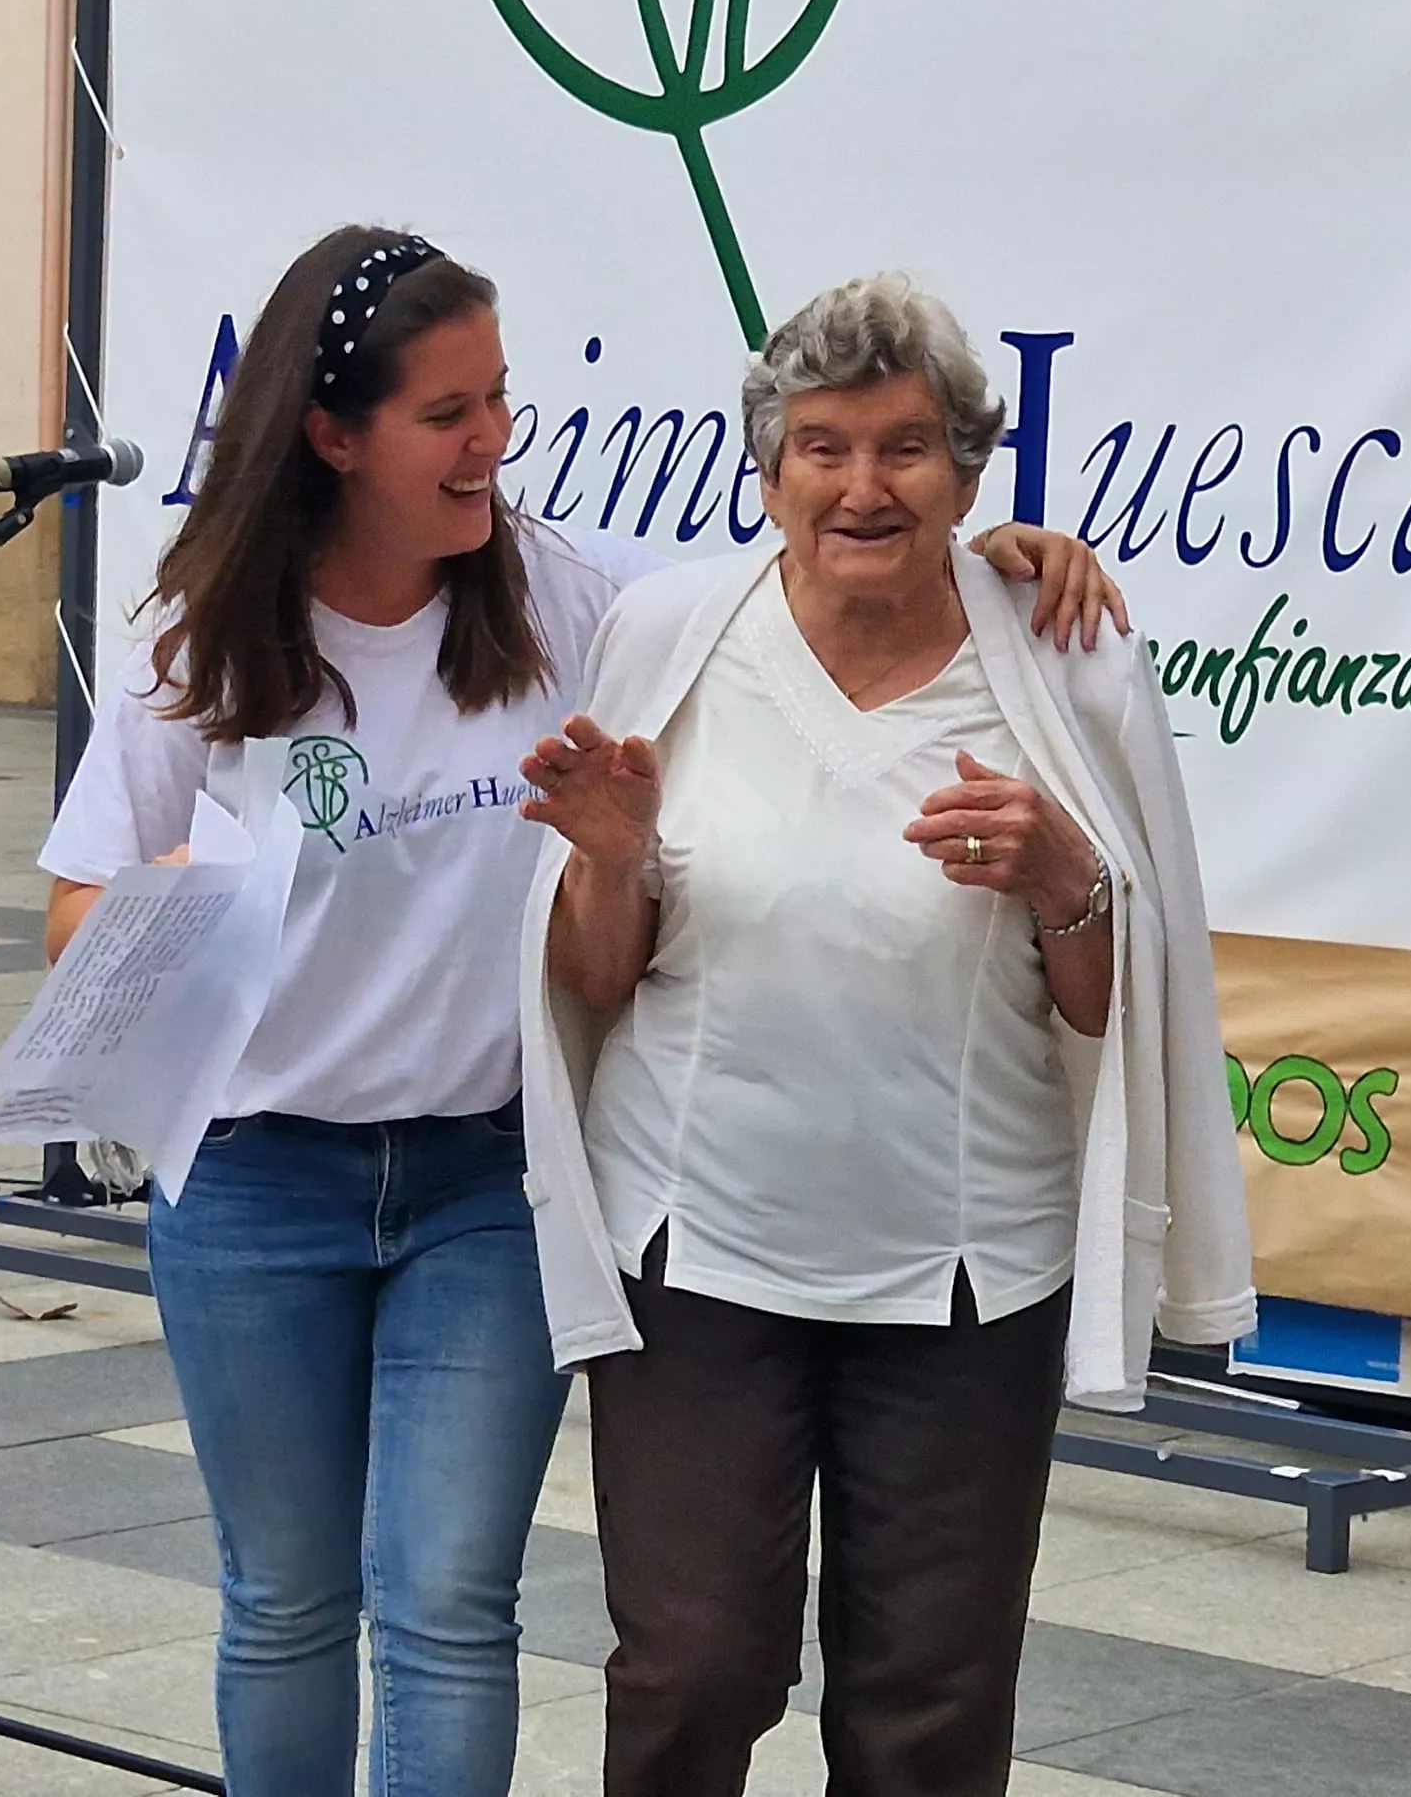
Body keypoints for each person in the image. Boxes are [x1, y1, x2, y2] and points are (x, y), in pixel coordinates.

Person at [40, 226, 1124, 1797]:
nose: (493, 440)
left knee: (448, 1610)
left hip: (490, 1179)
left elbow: (800, 573)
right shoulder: (197, 631)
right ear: (333, 435)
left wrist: (1004, 552)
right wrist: (190, 896)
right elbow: (76, 913)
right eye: (448, 413)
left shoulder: (578, 601)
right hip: (258, 1179)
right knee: (285, 1602)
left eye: (500, 398)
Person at [517, 272, 1255, 1797]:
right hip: (698, 1252)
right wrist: (606, 854)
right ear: (769, 469)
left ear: (970, 474)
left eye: (907, 448)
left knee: (930, 1702)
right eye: (824, 447)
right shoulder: (671, 636)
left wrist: (1068, 881)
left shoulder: (1070, 663)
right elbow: (596, 981)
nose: (864, 486)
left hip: (968, 1274)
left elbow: (1129, 1018)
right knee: (693, 1669)